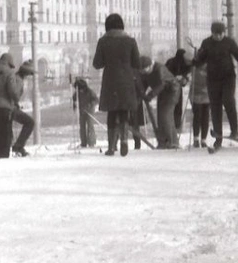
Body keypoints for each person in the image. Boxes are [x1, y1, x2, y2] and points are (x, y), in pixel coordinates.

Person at [193, 21, 238, 151]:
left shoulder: (229, 42)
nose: (218, 37)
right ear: (211, 33)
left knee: (228, 100)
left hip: (228, 77)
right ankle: (218, 137)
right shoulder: (206, 43)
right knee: (215, 106)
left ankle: (234, 130)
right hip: (212, 79)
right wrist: (197, 60)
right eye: (215, 34)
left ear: (224, 32)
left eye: (220, 34)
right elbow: (202, 59)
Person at [93, 13, 141, 157]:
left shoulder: (103, 41)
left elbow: (97, 64)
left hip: (110, 82)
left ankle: (111, 146)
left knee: (112, 114)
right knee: (124, 112)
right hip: (126, 82)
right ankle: (124, 140)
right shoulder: (131, 41)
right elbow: (137, 63)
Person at [139, 55, 181, 149]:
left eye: (143, 69)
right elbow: (144, 83)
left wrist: (150, 95)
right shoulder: (145, 72)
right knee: (161, 117)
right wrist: (141, 95)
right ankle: (165, 141)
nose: (142, 72)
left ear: (149, 66)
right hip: (162, 93)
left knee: (165, 116)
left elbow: (161, 84)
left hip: (172, 91)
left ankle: (172, 142)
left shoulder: (159, 69)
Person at [11, 60, 36, 157]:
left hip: (11, 106)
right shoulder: (18, 80)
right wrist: (15, 102)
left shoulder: (16, 78)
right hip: (10, 107)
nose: (29, 77)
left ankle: (17, 146)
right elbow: (14, 94)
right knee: (30, 122)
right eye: (30, 74)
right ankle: (18, 146)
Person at [165, 48, 192, 135]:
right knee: (176, 109)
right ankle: (175, 128)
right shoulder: (179, 63)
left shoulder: (171, 61)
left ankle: (174, 129)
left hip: (172, 89)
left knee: (173, 110)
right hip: (174, 89)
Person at [189, 56, 210, 148]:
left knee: (204, 117)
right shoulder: (194, 68)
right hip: (196, 95)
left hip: (207, 96)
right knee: (198, 116)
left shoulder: (209, 67)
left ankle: (203, 140)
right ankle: (196, 139)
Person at [73, 77, 99, 148]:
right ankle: (83, 142)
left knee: (90, 125)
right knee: (82, 126)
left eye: (81, 89)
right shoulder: (77, 93)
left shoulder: (90, 92)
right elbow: (74, 100)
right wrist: (75, 106)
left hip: (90, 111)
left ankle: (91, 142)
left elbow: (96, 100)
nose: (80, 91)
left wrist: (90, 105)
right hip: (81, 111)